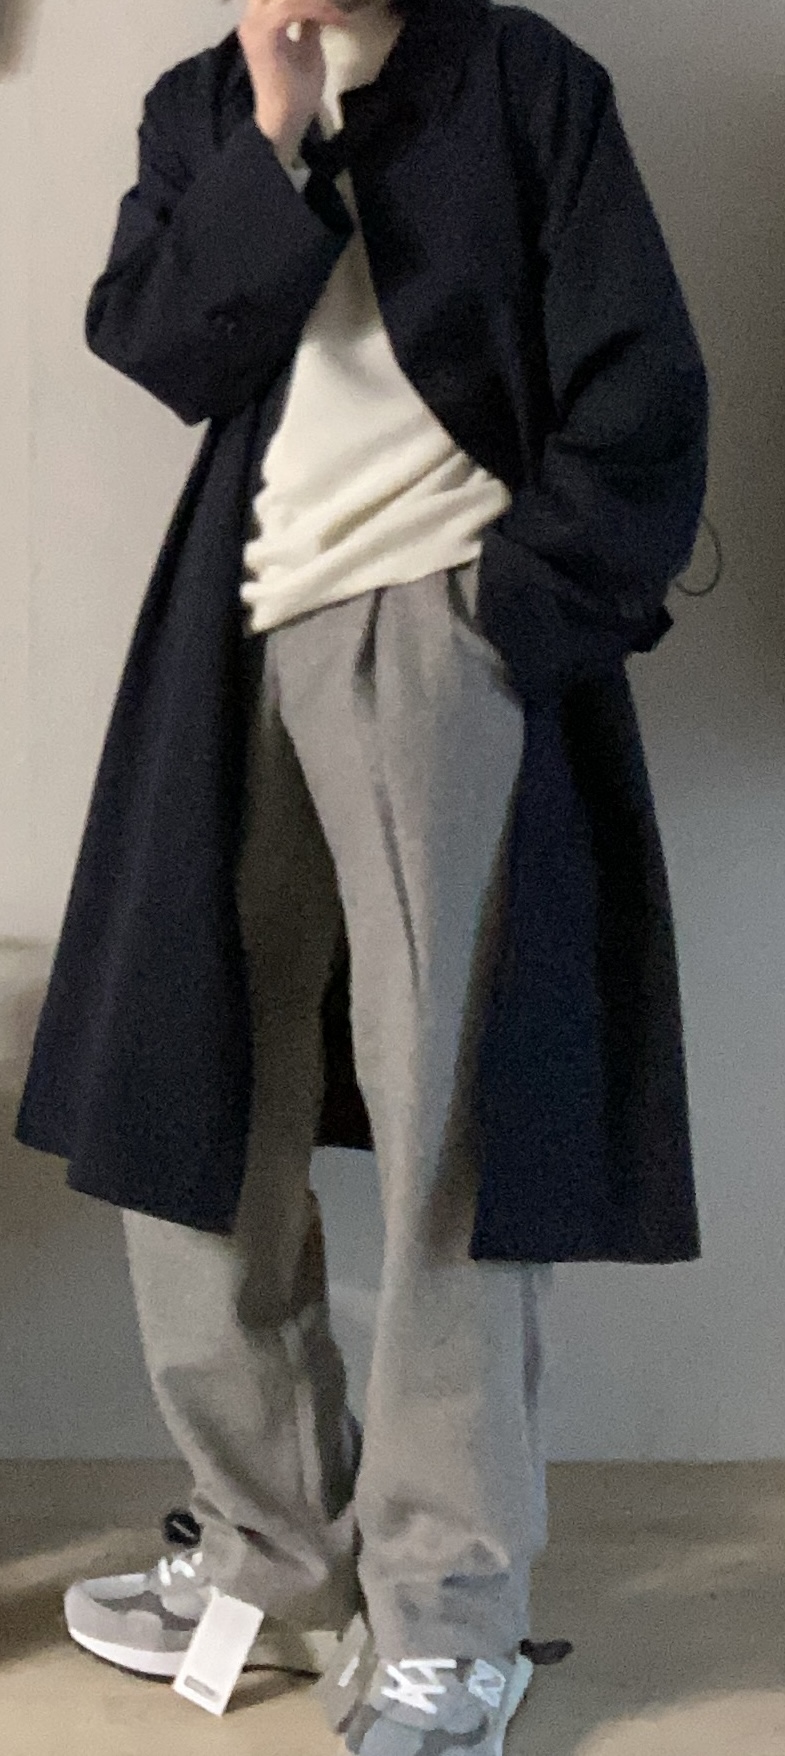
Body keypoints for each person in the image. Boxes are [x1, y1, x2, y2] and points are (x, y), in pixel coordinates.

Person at [16, 0, 708, 1747]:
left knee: (452, 1132)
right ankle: (272, 1556)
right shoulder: (202, 102)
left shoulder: (522, 80)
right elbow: (164, 342)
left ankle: (445, 1614)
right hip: (232, 633)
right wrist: (273, 133)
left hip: (446, 636)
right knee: (182, 1097)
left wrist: (515, 605)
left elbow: (639, 379)